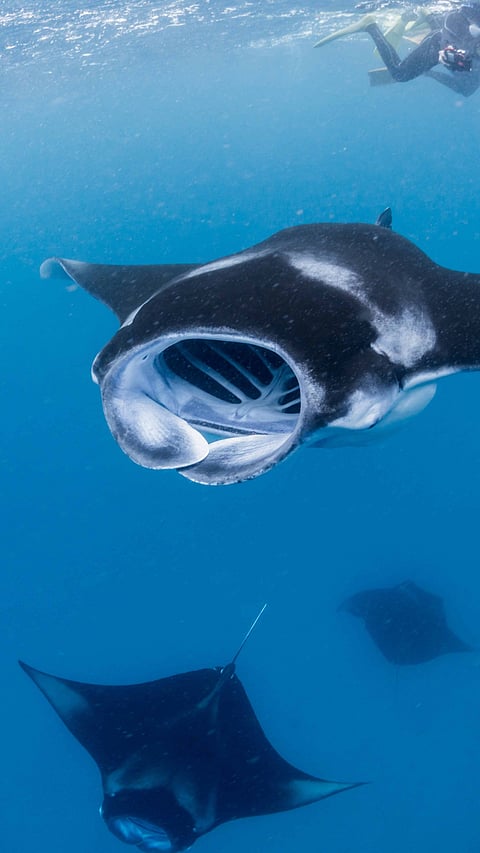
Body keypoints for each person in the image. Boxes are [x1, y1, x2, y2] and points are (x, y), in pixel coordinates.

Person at [315, 4, 480, 96]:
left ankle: (429, 17)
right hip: (441, 40)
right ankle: (370, 26)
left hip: (459, 48)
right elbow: (454, 18)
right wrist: (446, 46)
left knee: (467, 87)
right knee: (400, 74)